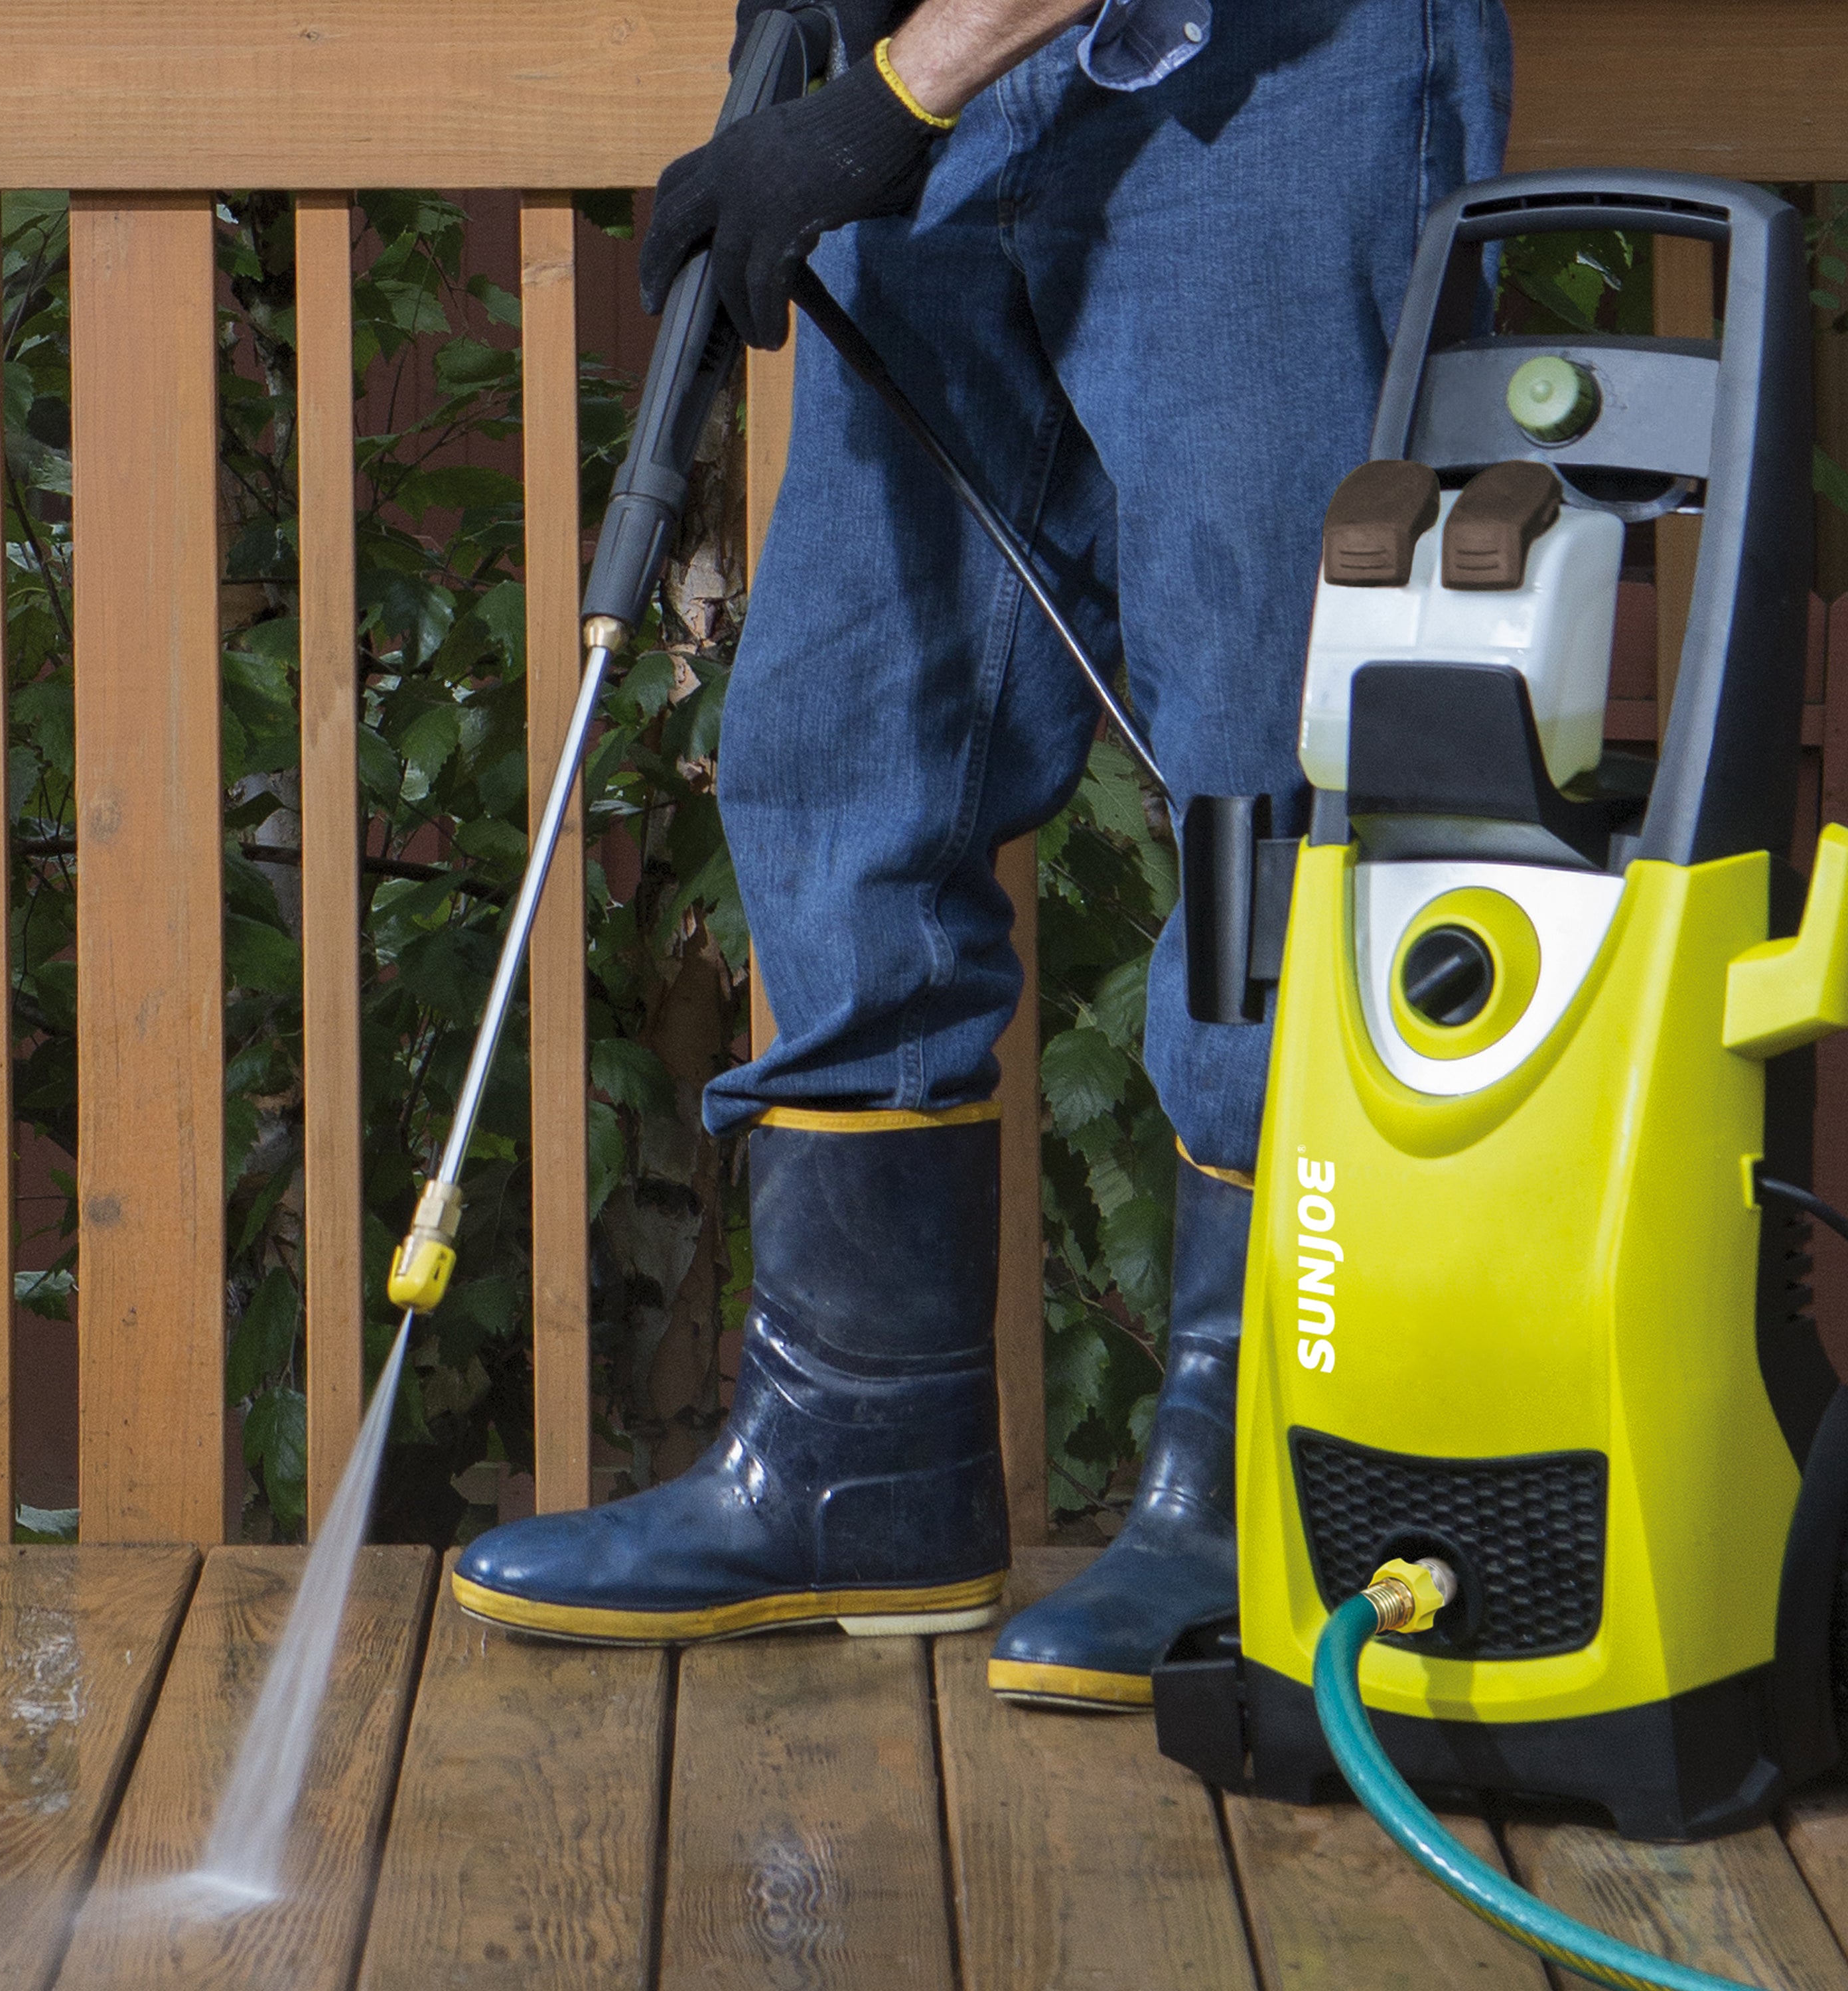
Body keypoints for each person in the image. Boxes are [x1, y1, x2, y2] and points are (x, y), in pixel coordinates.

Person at [454, 0, 1511, 1708]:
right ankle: (856, 1468)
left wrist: (886, 100)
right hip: (952, 90)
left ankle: (1256, 1490)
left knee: (1269, 774)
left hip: (1275, 89)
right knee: (847, 743)